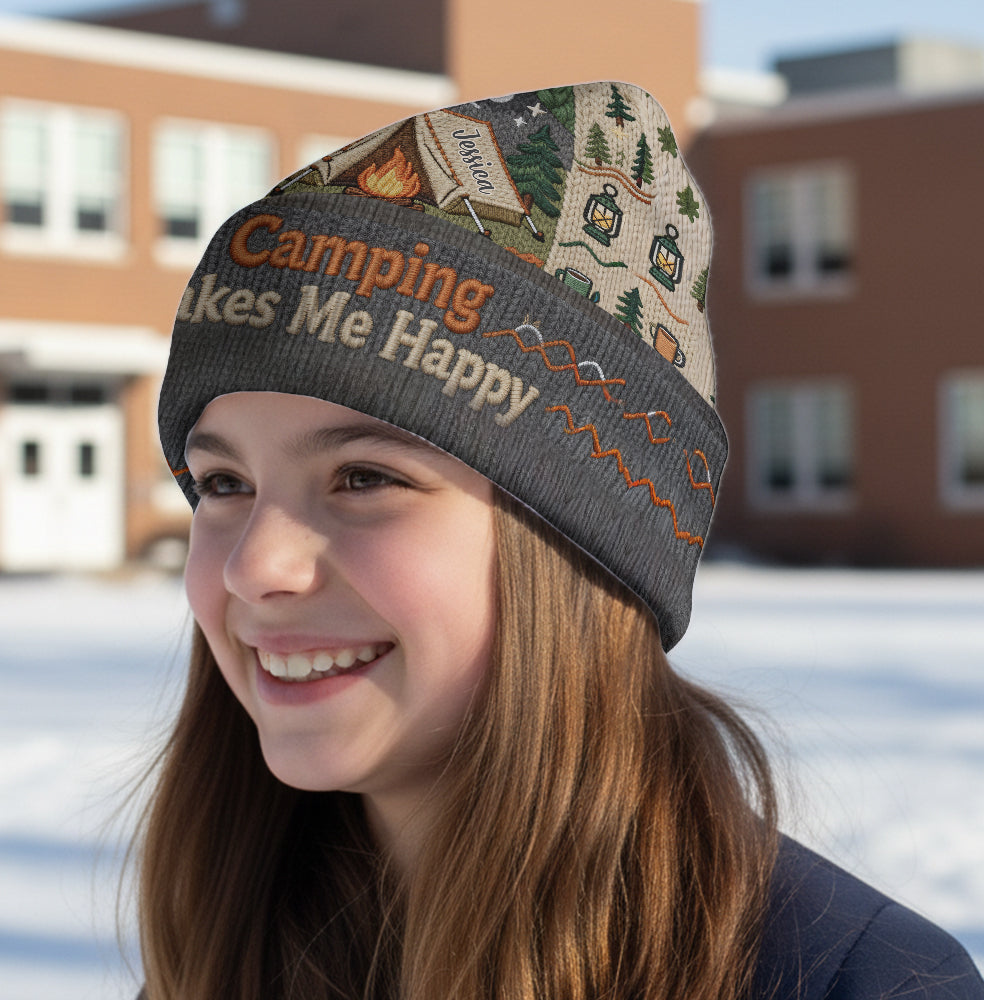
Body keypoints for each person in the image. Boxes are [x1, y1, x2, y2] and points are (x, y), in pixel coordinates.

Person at [143, 81, 983, 1000]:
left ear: (581, 542)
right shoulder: (227, 949)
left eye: (366, 478)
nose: (256, 565)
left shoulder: (859, 984)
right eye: (223, 483)